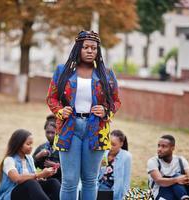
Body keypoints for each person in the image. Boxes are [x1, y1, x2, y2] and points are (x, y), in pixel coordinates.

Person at [46, 30, 121, 200]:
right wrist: (60, 111)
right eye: (86, 47)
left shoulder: (107, 74)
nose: (90, 51)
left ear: (98, 50)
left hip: (97, 129)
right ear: (78, 48)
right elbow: (52, 97)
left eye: (94, 48)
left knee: (90, 180)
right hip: (68, 129)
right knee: (69, 180)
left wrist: (106, 110)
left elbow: (116, 101)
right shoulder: (62, 71)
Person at [0, 129, 60, 200]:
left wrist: (45, 174)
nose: (31, 146)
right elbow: (17, 179)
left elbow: (35, 178)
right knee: (31, 184)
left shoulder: (29, 158)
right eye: (28, 144)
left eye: (32, 144)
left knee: (53, 183)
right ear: (19, 145)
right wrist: (39, 174)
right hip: (10, 195)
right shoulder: (9, 160)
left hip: (26, 192)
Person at [147, 135, 189, 200]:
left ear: (172, 148)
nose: (159, 149)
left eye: (164, 146)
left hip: (179, 192)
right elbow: (159, 180)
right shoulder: (153, 161)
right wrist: (176, 180)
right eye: (159, 146)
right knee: (177, 177)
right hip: (159, 193)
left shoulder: (180, 160)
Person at [98, 130, 132, 199]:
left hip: (114, 190)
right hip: (98, 187)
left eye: (113, 144)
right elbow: (96, 174)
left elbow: (126, 180)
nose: (110, 147)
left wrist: (124, 196)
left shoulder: (126, 156)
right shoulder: (103, 152)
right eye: (108, 143)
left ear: (121, 144)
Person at [33, 115, 61, 182]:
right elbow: (30, 167)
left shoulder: (63, 148)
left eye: (52, 133)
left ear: (58, 132)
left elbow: (71, 169)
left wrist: (55, 165)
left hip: (62, 184)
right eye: (48, 132)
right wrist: (37, 156)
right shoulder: (41, 148)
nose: (50, 135)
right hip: (45, 182)